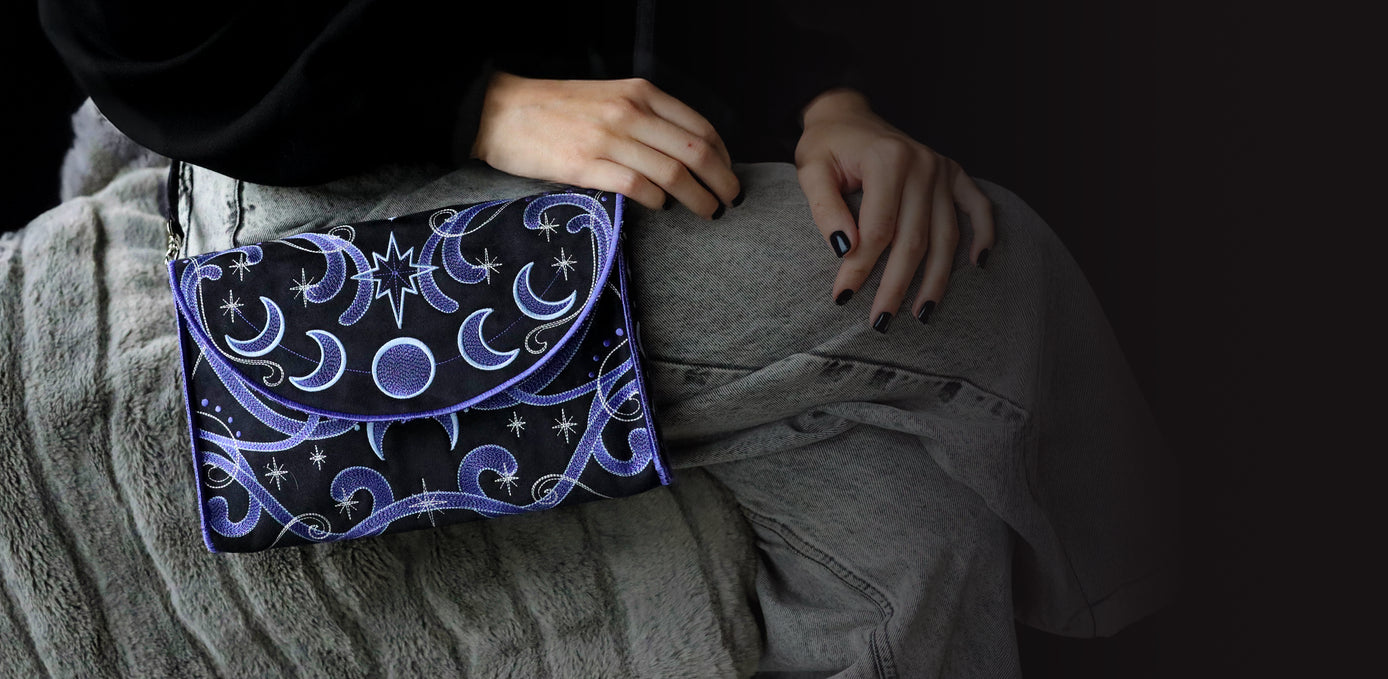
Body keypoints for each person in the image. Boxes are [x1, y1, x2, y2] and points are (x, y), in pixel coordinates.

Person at [40, 1, 1178, 676]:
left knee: (914, 536)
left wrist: (827, 97)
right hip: (325, 217)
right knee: (993, 275)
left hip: (605, 146)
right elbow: (127, 21)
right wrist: (475, 100)